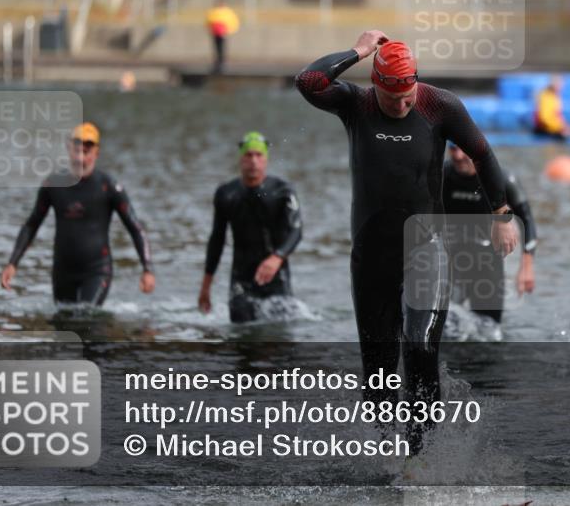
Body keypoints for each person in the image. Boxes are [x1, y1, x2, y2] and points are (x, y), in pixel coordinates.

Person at [295, 30, 517, 453]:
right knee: (378, 370)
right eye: (392, 98)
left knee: (419, 348)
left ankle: (423, 454)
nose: (402, 105)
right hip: (371, 253)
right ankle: (385, 457)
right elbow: (309, 82)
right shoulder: (355, 103)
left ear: (417, 81)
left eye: (408, 96)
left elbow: (483, 154)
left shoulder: (440, 105)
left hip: (426, 249)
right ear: (375, 83)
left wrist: (501, 214)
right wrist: (359, 51)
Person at [0, 123, 155, 305]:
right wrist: (13, 263)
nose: (80, 158)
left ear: (96, 153)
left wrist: (147, 269)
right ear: (68, 149)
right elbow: (32, 224)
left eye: (86, 152)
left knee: (86, 317)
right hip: (63, 272)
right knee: (64, 325)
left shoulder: (109, 187)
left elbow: (135, 228)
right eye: (76, 151)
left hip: (97, 270)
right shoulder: (53, 184)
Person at [199, 132, 303, 323]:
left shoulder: (283, 191)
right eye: (248, 155)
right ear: (240, 159)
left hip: (276, 277)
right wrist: (206, 286)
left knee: (279, 339)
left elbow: (296, 231)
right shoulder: (226, 194)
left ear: (266, 159)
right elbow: (217, 240)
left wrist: (276, 257)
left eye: (259, 155)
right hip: (241, 279)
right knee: (243, 338)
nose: (254, 161)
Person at [442, 143, 536, 323]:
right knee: (445, 329)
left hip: (487, 263)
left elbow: (527, 220)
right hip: (449, 260)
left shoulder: (501, 179)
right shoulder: (442, 175)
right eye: (453, 149)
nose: (458, 155)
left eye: (464, 149)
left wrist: (527, 266)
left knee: (489, 330)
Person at [532, 75, 570, 139]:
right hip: (546, 130)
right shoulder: (547, 97)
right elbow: (546, 118)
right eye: (560, 84)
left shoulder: (554, 96)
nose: (562, 86)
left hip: (551, 128)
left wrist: (563, 126)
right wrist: (561, 127)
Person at [205, 0, 240, 75]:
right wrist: (209, 28)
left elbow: (232, 21)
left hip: (223, 32)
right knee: (216, 47)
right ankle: (218, 61)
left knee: (222, 47)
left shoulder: (227, 12)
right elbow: (208, 20)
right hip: (215, 32)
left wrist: (229, 30)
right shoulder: (213, 11)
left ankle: (222, 61)